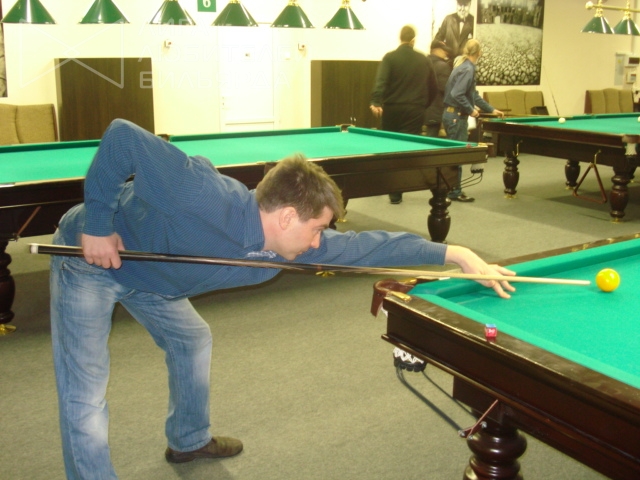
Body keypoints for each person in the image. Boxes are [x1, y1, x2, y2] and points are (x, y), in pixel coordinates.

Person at [50, 118, 515, 479]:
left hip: (158, 280)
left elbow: (369, 247)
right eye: (317, 229)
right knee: (85, 394)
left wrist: (455, 254)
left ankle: (188, 439)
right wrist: (98, 225)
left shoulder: (285, 245)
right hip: (92, 260)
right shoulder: (202, 194)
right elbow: (123, 137)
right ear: (288, 216)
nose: (319, 243)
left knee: (191, 339)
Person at [370, 25, 432, 205]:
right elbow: (433, 86)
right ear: (413, 40)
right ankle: (399, 189)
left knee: (390, 148)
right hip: (415, 109)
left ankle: (390, 188)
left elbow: (381, 81)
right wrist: (423, 105)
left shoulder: (390, 58)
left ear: (400, 38)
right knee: (407, 151)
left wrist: (376, 101)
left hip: (392, 109)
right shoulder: (423, 59)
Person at [442, 39, 504, 202]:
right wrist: (471, 110)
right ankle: (453, 191)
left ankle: (451, 189)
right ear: (479, 53)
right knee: (458, 156)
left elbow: (473, 95)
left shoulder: (462, 66)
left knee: (455, 155)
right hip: (456, 117)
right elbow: (457, 94)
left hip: (451, 115)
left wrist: (491, 110)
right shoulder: (468, 69)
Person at [424, 39, 453, 138]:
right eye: (443, 50)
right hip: (435, 111)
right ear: (436, 50)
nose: (446, 52)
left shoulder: (422, 63)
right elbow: (446, 89)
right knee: (432, 141)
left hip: (420, 109)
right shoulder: (443, 66)